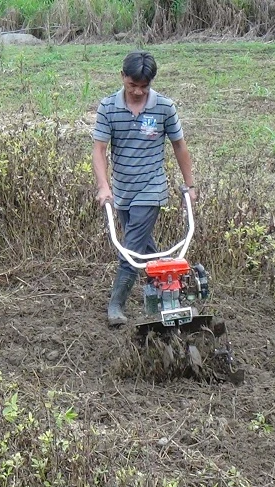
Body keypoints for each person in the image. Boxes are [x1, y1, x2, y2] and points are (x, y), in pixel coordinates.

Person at [92, 50, 197, 326]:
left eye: (144, 86)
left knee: (130, 249)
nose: (138, 91)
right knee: (146, 251)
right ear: (122, 77)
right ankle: (168, 294)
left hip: (152, 188)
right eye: (132, 85)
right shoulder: (108, 107)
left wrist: (190, 185)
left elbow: (179, 146)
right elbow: (99, 149)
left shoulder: (164, 107)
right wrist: (104, 186)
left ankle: (116, 305)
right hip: (122, 190)